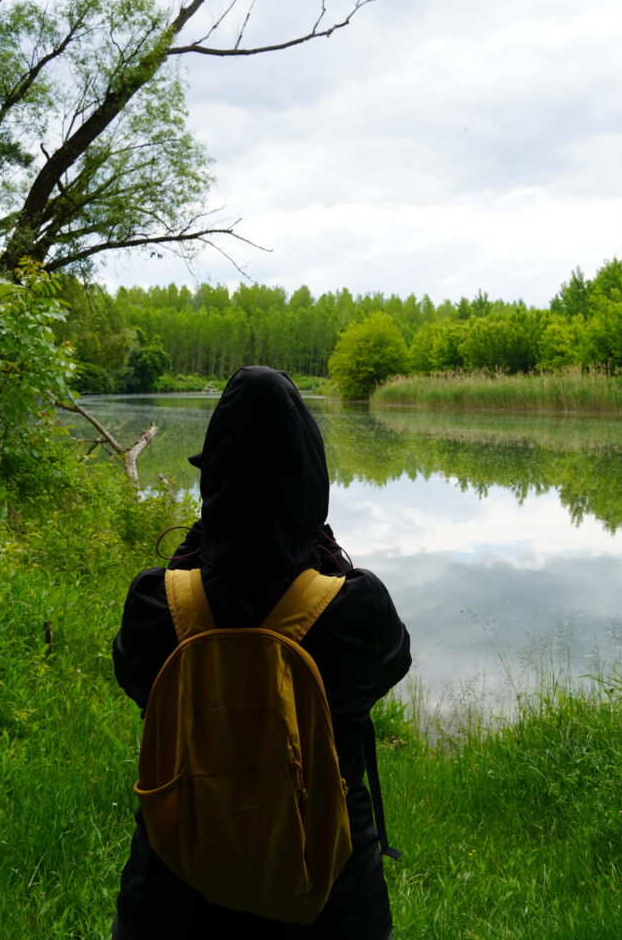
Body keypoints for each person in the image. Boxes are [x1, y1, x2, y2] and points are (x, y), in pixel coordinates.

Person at [112, 365, 412, 940]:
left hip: (172, 897)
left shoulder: (156, 604)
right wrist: (323, 558)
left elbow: (136, 678)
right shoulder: (357, 609)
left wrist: (194, 556)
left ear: (212, 480)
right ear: (312, 478)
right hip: (331, 899)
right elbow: (389, 664)